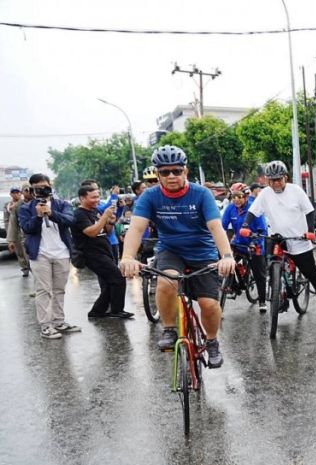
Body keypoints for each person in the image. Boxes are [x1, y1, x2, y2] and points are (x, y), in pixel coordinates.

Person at [119, 145, 236, 368]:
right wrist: (127, 257)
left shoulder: (201, 194)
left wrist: (227, 255)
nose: (171, 176)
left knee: (208, 303)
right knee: (166, 280)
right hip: (170, 250)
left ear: (185, 171)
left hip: (203, 251)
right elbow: (135, 229)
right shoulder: (150, 197)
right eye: (164, 172)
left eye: (176, 171)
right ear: (158, 174)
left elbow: (216, 227)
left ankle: (212, 342)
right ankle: (170, 329)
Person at [240, 160, 316, 318]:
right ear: (267, 180)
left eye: (279, 179)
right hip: (278, 239)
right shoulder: (265, 194)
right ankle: (279, 295)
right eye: (272, 180)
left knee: (311, 274)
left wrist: (310, 231)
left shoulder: (296, 191)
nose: (275, 183)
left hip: (299, 240)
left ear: (285, 178)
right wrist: (246, 225)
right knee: (272, 267)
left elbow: (309, 211)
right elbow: (253, 212)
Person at [17, 174, 82, 339]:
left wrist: (51, 213)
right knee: (43, 291)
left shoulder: (62, 204)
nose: (42, 190)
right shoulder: (25, 208)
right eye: (38, 187)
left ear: (50, 186)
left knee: (59, 290)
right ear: (32, 189)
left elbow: (69, 221)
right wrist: (38, 216)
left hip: (61, 253)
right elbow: (27, 228)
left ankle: (59, 321)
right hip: (40, 254)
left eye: (45, 186)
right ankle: (46, 326)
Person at [72, 185, 132, 319]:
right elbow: (92, 233)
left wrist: (110, 222)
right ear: (82, 198)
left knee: (110, 282)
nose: (97, 200)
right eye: (93, 197)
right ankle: (116, 310)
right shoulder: (79, 214)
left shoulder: (94, 211)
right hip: (91, 254)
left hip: (104, 251)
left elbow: (106, 231)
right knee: (117, 278)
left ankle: (97, 311)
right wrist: (104, 217)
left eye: (98, 196)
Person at [222, 183, 268, 313]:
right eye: (233, 197)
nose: (236, 200)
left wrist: (255, 242)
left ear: (246, 196)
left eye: (239, 197)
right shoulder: (230, 208)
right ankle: (233, 285)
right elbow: (222, 227)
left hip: (255, 244)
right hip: (239, 243)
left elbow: (262, 230)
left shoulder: (254, 208)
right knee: (227, 262)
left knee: (259, 274)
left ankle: (262, 300)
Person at [6, 187, 30, 277]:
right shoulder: (8, 205)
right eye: (14, 192)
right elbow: (8, 220)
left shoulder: (24, 203)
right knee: (19, 252)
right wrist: (10, 237)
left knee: (26, 252)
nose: (16, 194)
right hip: (14, 231)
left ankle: (30, 267)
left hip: (24, 232)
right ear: (11, 194)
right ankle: (24, 268)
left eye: (17, 192)